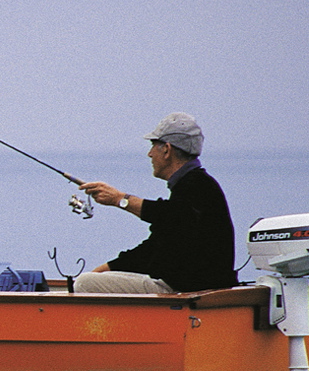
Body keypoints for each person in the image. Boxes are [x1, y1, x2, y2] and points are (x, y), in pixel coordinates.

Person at [73, 112, 236, 294]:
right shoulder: (195, 185)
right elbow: (157, 245)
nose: (149, 154)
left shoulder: (198, 186)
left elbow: (170, 215)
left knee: (84, 284)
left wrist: (120, 199)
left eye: (153, 146)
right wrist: (108, 268)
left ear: (166, 149)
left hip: (188, 291)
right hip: (192, 287)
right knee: (94, 278)